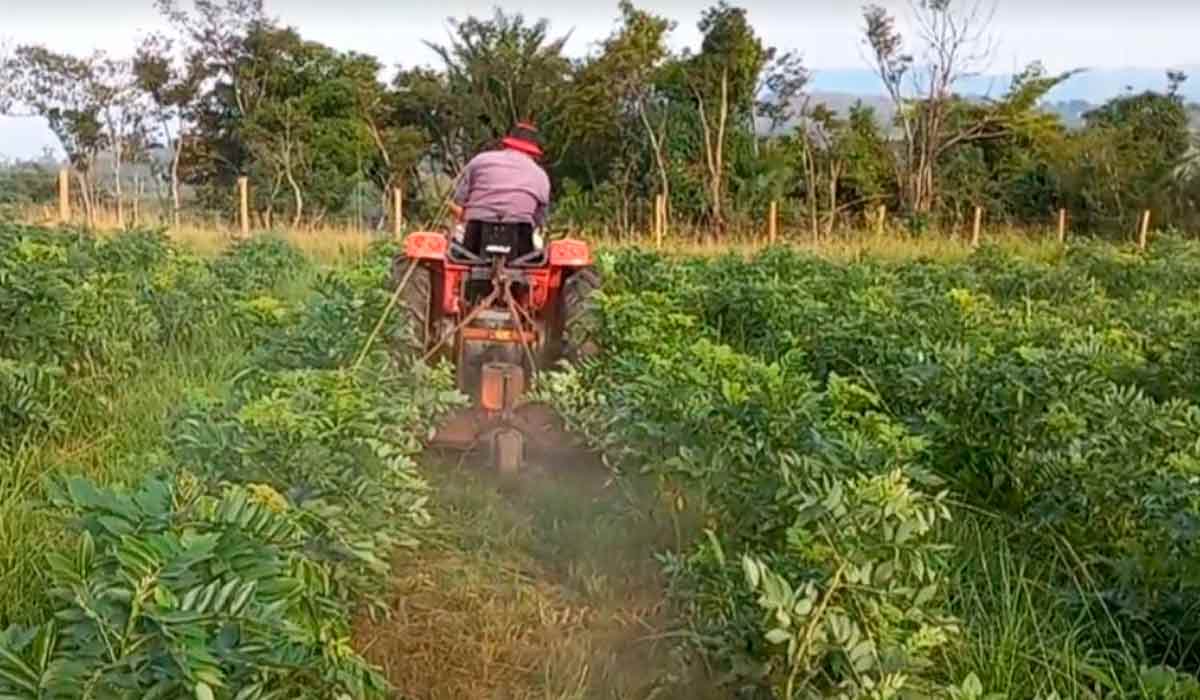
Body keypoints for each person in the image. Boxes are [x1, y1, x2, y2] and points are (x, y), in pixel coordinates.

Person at [449, 122, 550, 256]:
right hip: (521, 240)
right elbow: (539, 219)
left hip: (475, 236)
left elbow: (458, 202)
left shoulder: (480, 160)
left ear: (506, 144)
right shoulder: (540, 175)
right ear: (533, 152)